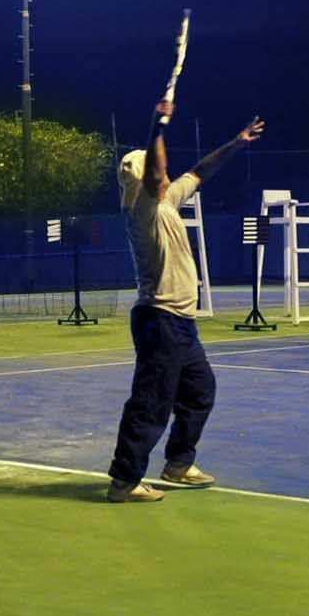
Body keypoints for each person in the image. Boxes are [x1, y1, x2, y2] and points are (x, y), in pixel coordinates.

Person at [106, 101, 266, 503]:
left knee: (199, 391)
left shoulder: (166, 202)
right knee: (151, 402)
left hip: (180, 323)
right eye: (155, 172)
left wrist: (236, 142)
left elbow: (199, 171)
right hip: (159, 319)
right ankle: (124, 481)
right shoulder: (141, 209)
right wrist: (157, 124)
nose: (164, 174)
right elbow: (158, 171)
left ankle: (177, 463)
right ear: (145, 179)